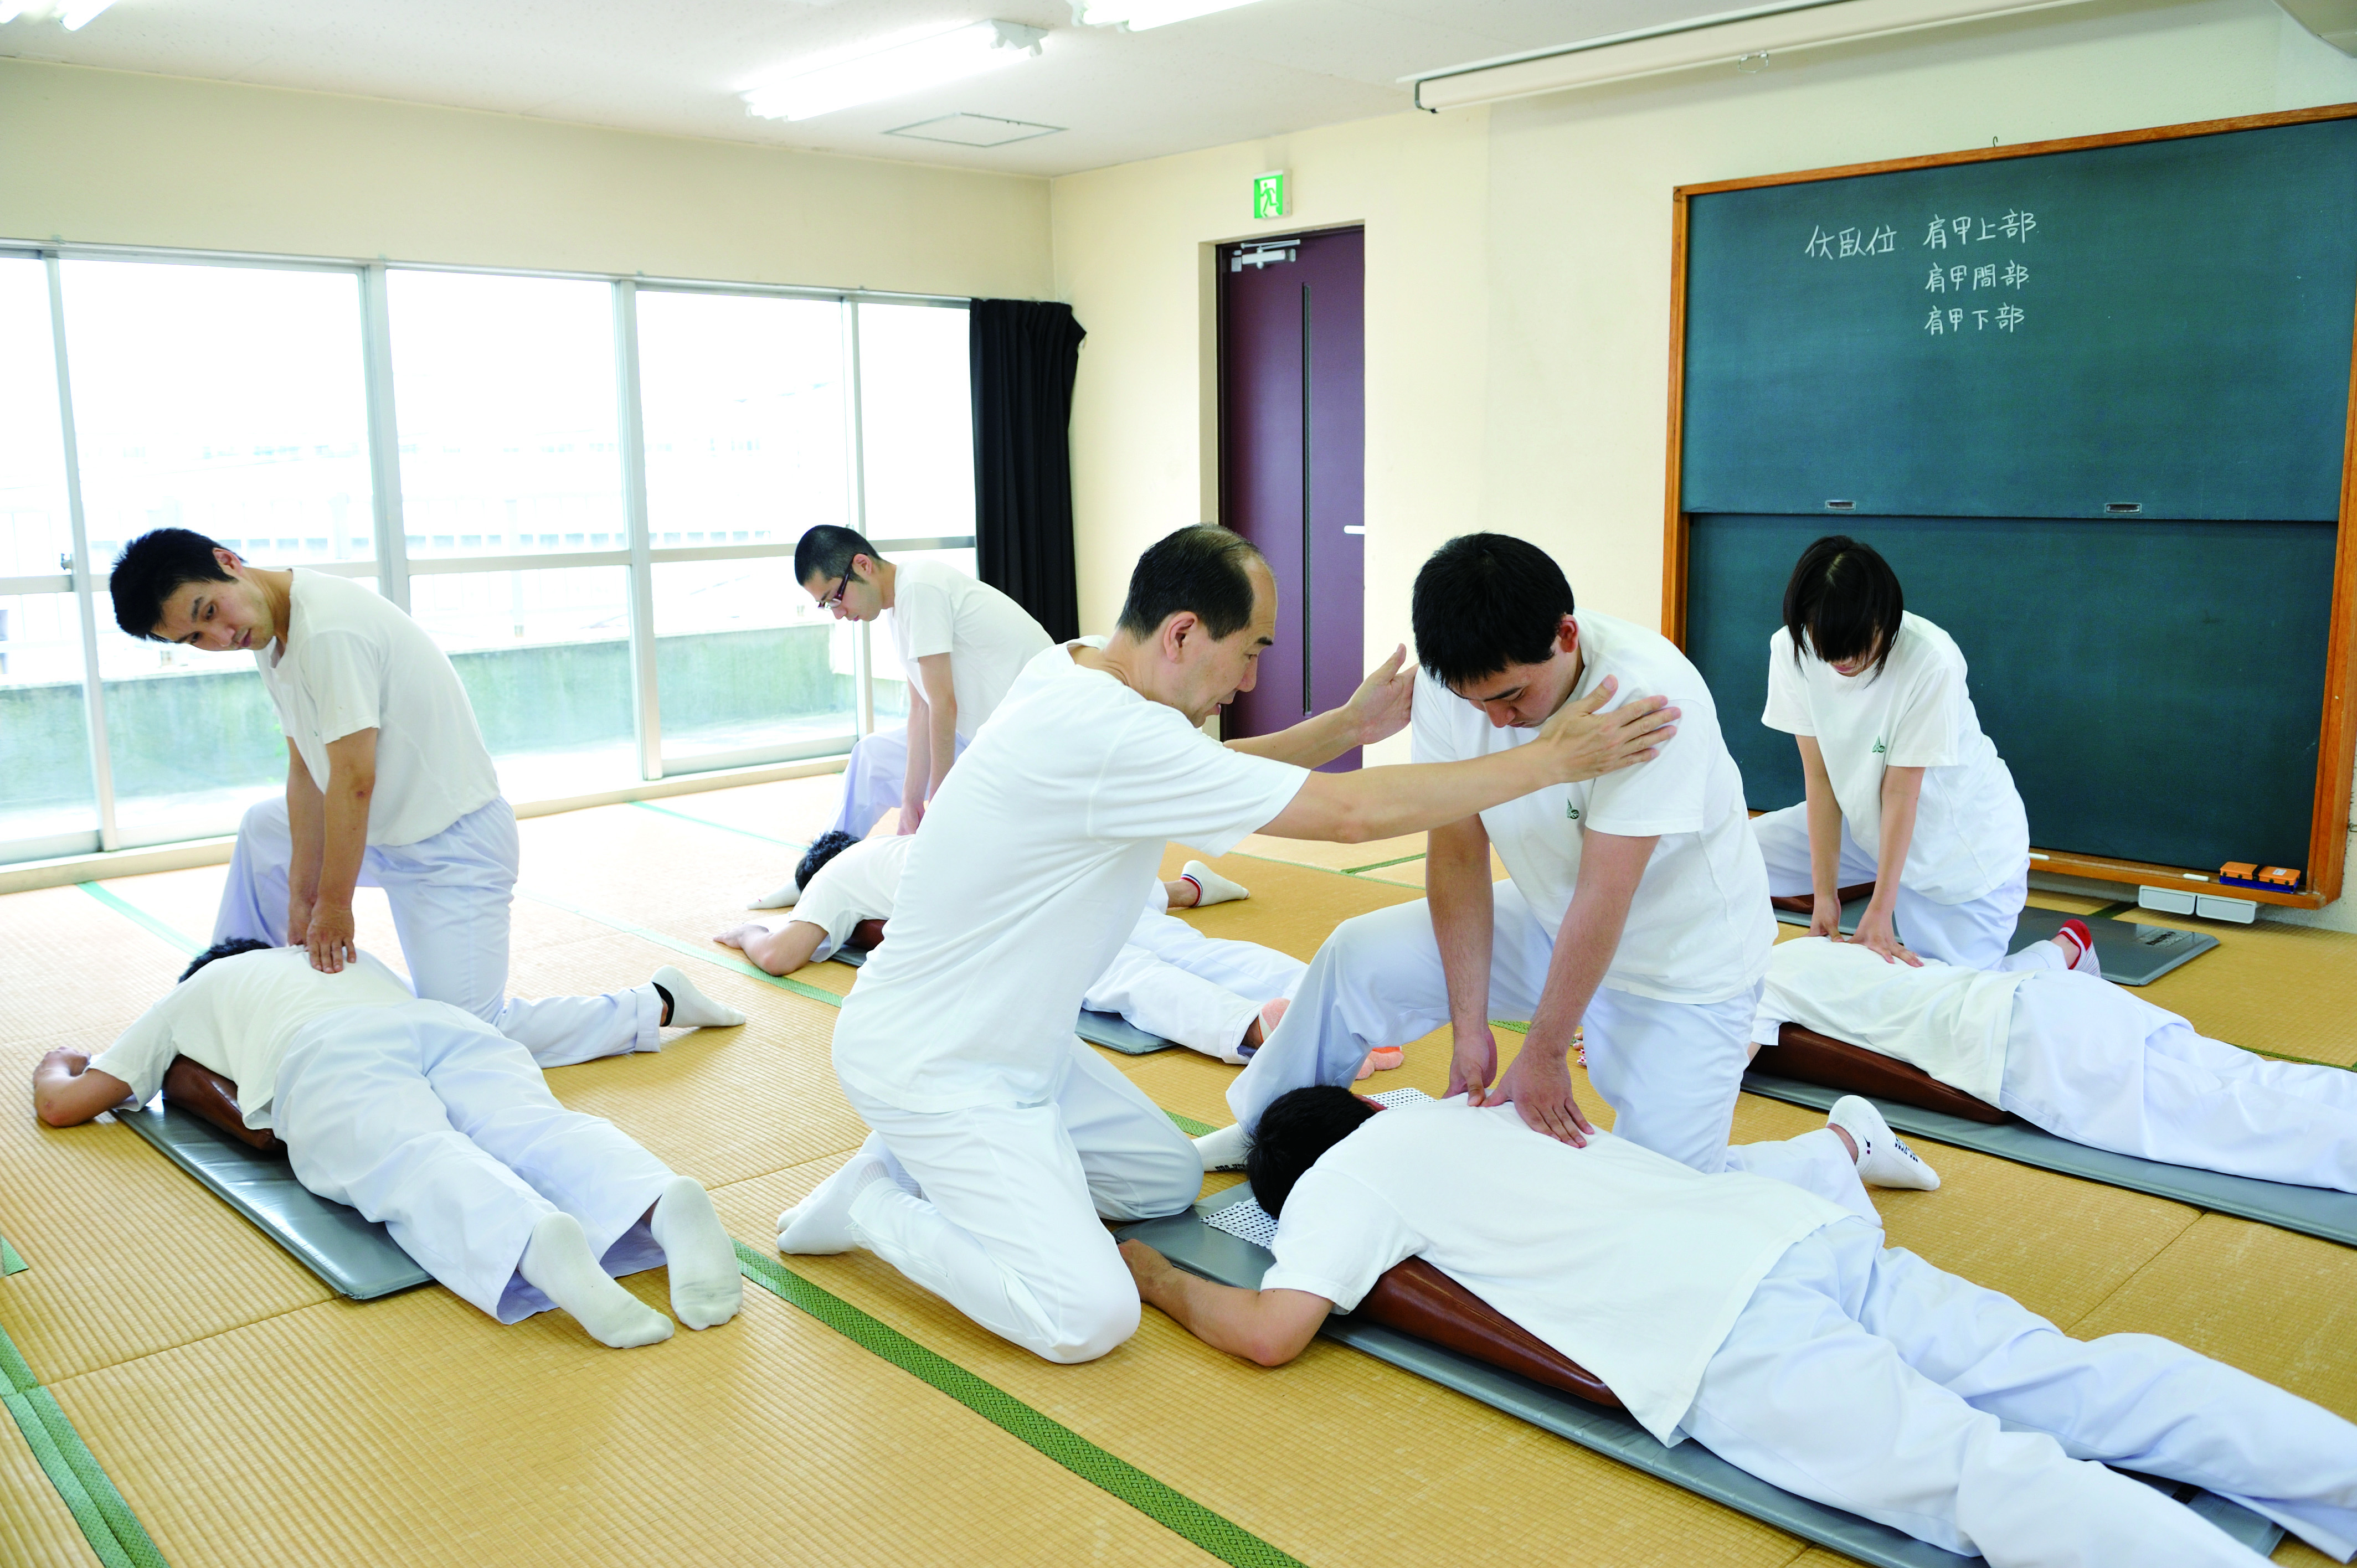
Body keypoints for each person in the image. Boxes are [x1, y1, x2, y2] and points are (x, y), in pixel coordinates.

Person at [775, 523, 1678, 1365]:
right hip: (933, 1059)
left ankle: (953, 1164)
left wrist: (1345, 729)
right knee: (1086, 1316)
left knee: (1163, 1183)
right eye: (1249, 652)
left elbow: (1216, 768)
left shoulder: (1081, 667)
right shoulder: (1101, 729)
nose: (1247, 680)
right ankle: (873, 1204)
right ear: (1181, 634)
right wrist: (1555, 758)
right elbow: (1352, 816)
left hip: (1024, 1048)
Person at [1124, 1086, 2357, 1568]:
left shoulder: (1339, 1187)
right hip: (1794, 1237)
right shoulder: (1468, 1098)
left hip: (1719, 1330)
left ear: (1291, 1181)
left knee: (1988, 1477)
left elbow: (1276, 1328)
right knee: (2084, 1382)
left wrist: (1158, 1279)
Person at [1222, 533, 1908, 1212]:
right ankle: (1263, 1132)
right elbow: (1457, 852)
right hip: (1554, 918)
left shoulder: (1650, 699)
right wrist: (1469, 1029)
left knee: (1657, 1211)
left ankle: (1840, 1146)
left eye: (1512, 696)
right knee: (1356, 956)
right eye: (1476, 704)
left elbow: (1606, 892)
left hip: (1684, 967)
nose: (1497, 719)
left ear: (1566, 634)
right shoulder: (1453, 678)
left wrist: (1543, 1048)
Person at [107, 530, 747, 1066]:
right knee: (264, 827)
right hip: (380, 832)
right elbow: (305, 769)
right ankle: (227, 1000)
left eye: (209, 613)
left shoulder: (328, 629)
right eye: (194, 640)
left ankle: (653, 1004)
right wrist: (301, 900)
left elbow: (354, 779)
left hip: (452, 845)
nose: (218, 638)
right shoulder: (267, 634)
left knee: (468, 1038)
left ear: (228, 562)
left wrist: (331, 908)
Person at [32, 940, 743, 1349]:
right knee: (530, 1128)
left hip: (327, 1057)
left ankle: (534, 1239)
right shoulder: (339, 953)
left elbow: (67, 1106)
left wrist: (59, 1056)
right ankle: (658, 1198)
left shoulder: (194, 992)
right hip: (441, 1027)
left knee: (414, 1154)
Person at [1759, 929, 2357, 1192]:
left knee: (2232, 1124)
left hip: (2032, 1045)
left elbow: (1706, 1069)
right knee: (2251, 1075)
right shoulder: (1817, 948)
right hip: (2056, 999)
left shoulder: (1744, 988)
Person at [719, 829, 1299, 1066]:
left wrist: (747, 933)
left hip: (1018, 920)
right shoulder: (898, 847)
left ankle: (1250, 1027)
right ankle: (1313, 987)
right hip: (1060, 881)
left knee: (1121, 977)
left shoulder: (832, 877)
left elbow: (780, 956)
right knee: (1184, 947)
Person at [1753, 535, 2035, 969]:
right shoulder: (1791, 647)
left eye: (1856, 647)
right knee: (1733, 849)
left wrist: (1880, 913)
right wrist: (1823, 898)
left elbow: (1902, 793)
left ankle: (2066, 952)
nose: (1842, 662)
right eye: (1828, 651)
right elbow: (1821, 777)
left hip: (1959, 853)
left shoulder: (1930, 660)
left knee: (1946, 1005)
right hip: (1866, 825)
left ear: (1885, 619)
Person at [751, 527, 1051, 907]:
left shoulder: (921, 588)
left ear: (862, 565)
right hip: (982, 736)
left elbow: (944, 704)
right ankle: (815, 877)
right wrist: (911, 800)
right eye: (828, 606)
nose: (840, 615)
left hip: (1024, 745)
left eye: (836, 598)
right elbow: (921, 708)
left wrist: (938, 801)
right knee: (871, 755)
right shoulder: (897, 610)